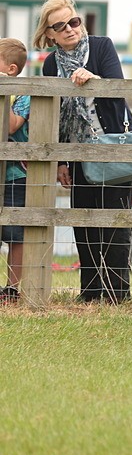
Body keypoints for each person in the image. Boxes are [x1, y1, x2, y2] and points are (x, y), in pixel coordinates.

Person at [36, 0, 132, 303]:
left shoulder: (102, 46)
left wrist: (95, 80)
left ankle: (119, 293)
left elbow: (118, 89)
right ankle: (90, 292)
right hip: (77, 150)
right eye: (60, 26)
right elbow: (55, 116)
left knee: (116, 220)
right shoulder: (51, 64)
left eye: (73, 22)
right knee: (83, 221)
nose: (69, 30)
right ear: (50, 33)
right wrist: (61, 161)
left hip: (112, 145)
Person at [1, 38, 29, 299]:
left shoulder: (23, 94)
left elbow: (11, 126)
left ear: (10, 70)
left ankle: (12, 288)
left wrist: (4, 92)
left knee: (16, 234)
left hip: (17, 175)